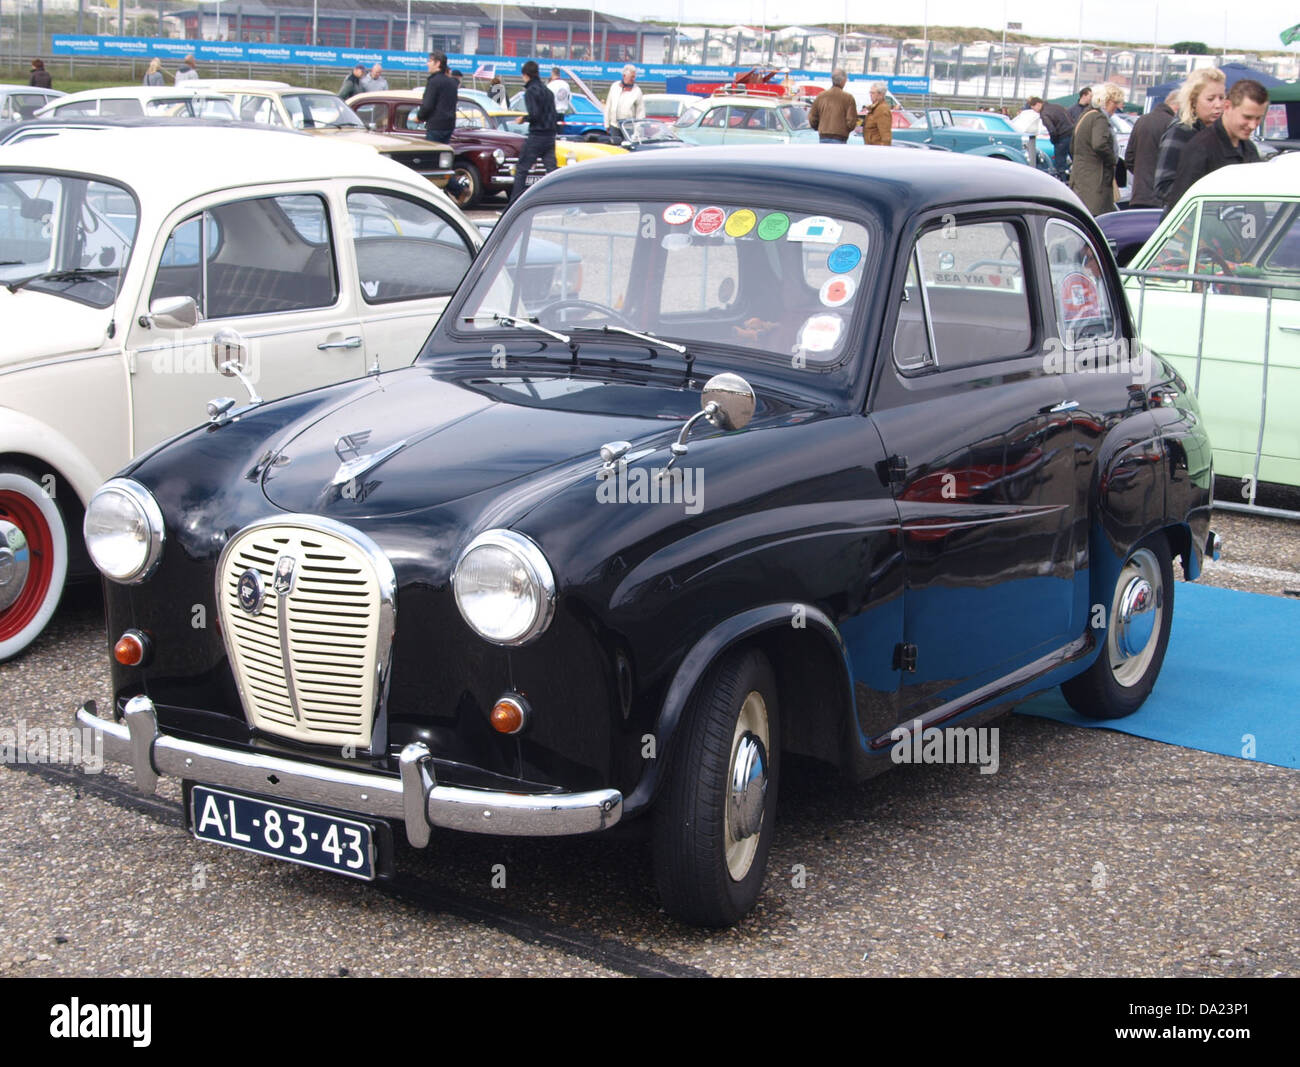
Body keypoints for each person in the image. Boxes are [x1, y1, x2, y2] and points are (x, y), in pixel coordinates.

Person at [1164, 79, 1268, 210]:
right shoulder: (1201, 148)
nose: (1253, 125)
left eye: (1258, 118)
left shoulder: (1249, 149)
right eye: (1247, 117)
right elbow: (1181, 207)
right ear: (1227, 107)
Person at [1153, 67, 1226, 212]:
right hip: (1187, 225)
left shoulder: (1222, 134)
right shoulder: (1181, 132)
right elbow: (1163, 186)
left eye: (1222, 97)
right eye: (1210, 99)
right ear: (1193, 101)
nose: (1218, 105)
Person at [1069, 83, 1124, 215]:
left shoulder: (1085, 115)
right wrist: (1112, 160)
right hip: (1096, 181)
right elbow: (1099, 144)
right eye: (1115, 104)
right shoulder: (1099, 118)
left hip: (1080, 177)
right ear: (1108, 101)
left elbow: (1072, 146)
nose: (1115, 109)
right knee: (1098, 219)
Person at [511, 60, 558, 202]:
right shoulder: (548, 91)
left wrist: (523, 119)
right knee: (553, 171)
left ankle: (513, 203)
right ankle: (560, 199)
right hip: (550, 136)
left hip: (537, 136)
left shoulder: (530, 91)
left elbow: (535, 114)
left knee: (522, 170)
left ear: (526, 75)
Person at [1124, 90, 1178, 208]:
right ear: (1178, 106)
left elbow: (1128, 158)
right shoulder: (1174, 125)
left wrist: (1141, 174)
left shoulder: (1141, 120)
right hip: (1162, 198)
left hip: (1139, 195)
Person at [417, 51, 458, 145]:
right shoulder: (452, 83)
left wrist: (420, 117)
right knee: (443, 155)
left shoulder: (434, 81)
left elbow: (427, 105)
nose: (427, 64)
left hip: (435, 126)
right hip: (449, 126)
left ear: (438, 63)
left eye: (430, 61)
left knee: (432, 156)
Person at [808, 69, 858, 143]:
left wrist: (819, 127)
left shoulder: (821, 96)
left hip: (823, 136)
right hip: (840, 137)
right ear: (844, 81)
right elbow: (851, 121)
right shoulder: (848, 98)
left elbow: (812, 118)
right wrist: (846, 129)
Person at [1031, 96, 1073, 179]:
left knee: (1060, 162)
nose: (1034, 111)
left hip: (1061, 137)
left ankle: (1063, 180)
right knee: (1074, 158)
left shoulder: (1044, 114)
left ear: (1038, 104)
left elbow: (1052, 130)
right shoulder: (1057, 106)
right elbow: (1069, 117)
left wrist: (1054, 140)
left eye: (1034, 108)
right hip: (1071, 133)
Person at [604, 64, 644, 143]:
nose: (634, 79)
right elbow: (608, 105)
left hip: (629, 128)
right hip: (614, 126)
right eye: (632, 77)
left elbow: (640, 112)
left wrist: (638, 131)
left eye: (634, 77)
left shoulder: (637, 91)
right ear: (624, 76)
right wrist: (607, 124)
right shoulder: (614, 87)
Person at [862, 81, 891, 146]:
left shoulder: (882, 109)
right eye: (870, 92)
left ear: (881, 94)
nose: (870, 95)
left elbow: (885, 135)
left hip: (877, 148)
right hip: (871, 147)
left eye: (873, 93)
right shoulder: (875, 108)